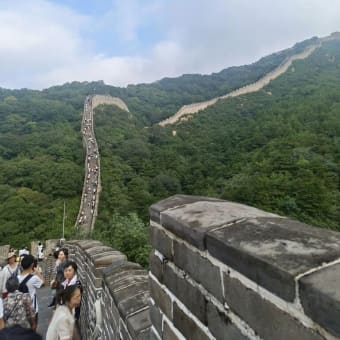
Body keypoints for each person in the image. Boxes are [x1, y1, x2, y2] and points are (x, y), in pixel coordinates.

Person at [17, 255, 44, 328]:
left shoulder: (17, 278)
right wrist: (37, 272)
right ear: (32, 264)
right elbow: (43, 283)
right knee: (33, 329)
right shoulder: (34, 278)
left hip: (20, 309)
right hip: (32, 309)